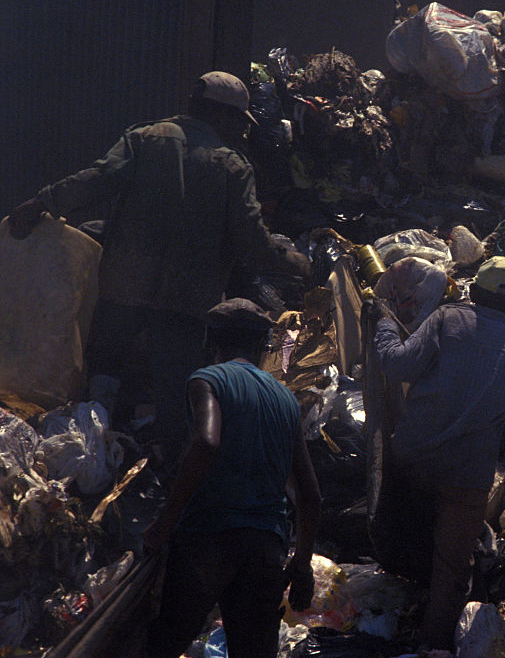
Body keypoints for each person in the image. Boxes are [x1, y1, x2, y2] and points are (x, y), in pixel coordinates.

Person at [8, 71, 310, 466]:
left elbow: (97, 179)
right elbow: (251, 240)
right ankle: (164, 474)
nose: (240, 130)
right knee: (176, 394)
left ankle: (89, 460)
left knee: (104, 376)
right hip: (184, 300)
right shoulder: (232, 166)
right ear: (221, 115)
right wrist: (296, 262)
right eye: (238, 120)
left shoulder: (146, 139)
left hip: (123, 287)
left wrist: (43, 202)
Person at [368, 256, 505, 653]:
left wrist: (384, 320)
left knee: (398, 539)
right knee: (451, 568)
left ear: (474, 292)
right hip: (466, 477)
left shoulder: (446, 319)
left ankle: (387, 622)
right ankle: (433, 645)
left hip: (412, 459)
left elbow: (396, 364)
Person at [142, 298, 321, 658]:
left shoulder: (207, 380)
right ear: (261, 345)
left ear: (211, 342)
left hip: (208, 537)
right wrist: (302, 565)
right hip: (266, 548)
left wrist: (165, 522)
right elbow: (311, 495)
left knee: (165, 643)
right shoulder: (286, 398)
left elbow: (206, 443)